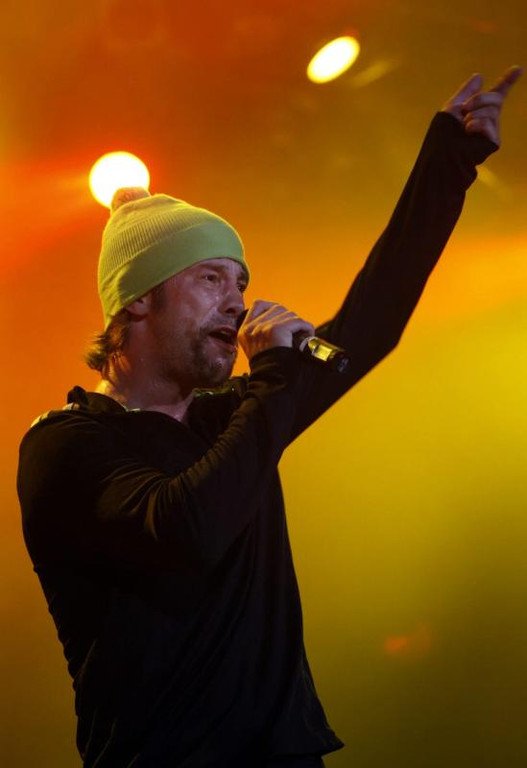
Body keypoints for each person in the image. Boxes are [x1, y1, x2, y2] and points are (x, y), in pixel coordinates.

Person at [17, 67, 521, 768]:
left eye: (242, 282)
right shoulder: (67, 443)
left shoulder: (236, 412)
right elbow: (189, 531)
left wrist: (448, 164)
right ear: (137, 300)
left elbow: (368, 325)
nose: (237, 302)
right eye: (210, 279)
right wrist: (276, 378)